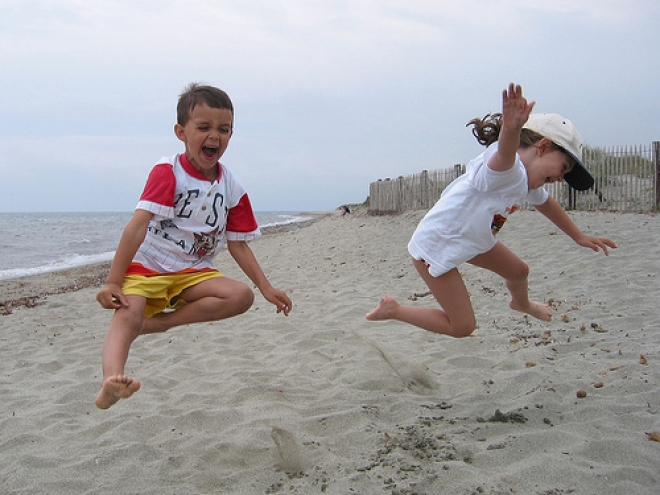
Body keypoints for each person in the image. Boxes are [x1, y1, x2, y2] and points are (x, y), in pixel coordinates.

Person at [95, 83, 292, 409]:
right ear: (181, 132)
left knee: (241, 296)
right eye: (203, 127)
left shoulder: (232, 186)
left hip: (193, 271)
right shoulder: (167, 172)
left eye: (223, 129)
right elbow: (136, 228)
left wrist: (266, 287)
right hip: (150, 265)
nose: (214, 136)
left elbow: (238, 245)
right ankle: (111, 382)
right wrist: (113, 281)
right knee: (127, 316)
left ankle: (158, 324)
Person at [366, 83, 616, 338]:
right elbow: (505, 155)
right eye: (563, 168)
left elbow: (546, 204)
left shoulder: (526, 181)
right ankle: (394, 310)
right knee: (463, 326)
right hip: (438, 243)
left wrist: (578, 236)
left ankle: (522, 303)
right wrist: (511, 129)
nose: (562, 178)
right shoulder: (506, 170)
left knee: (519, 272)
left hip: (474, 238)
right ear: (542, 147)